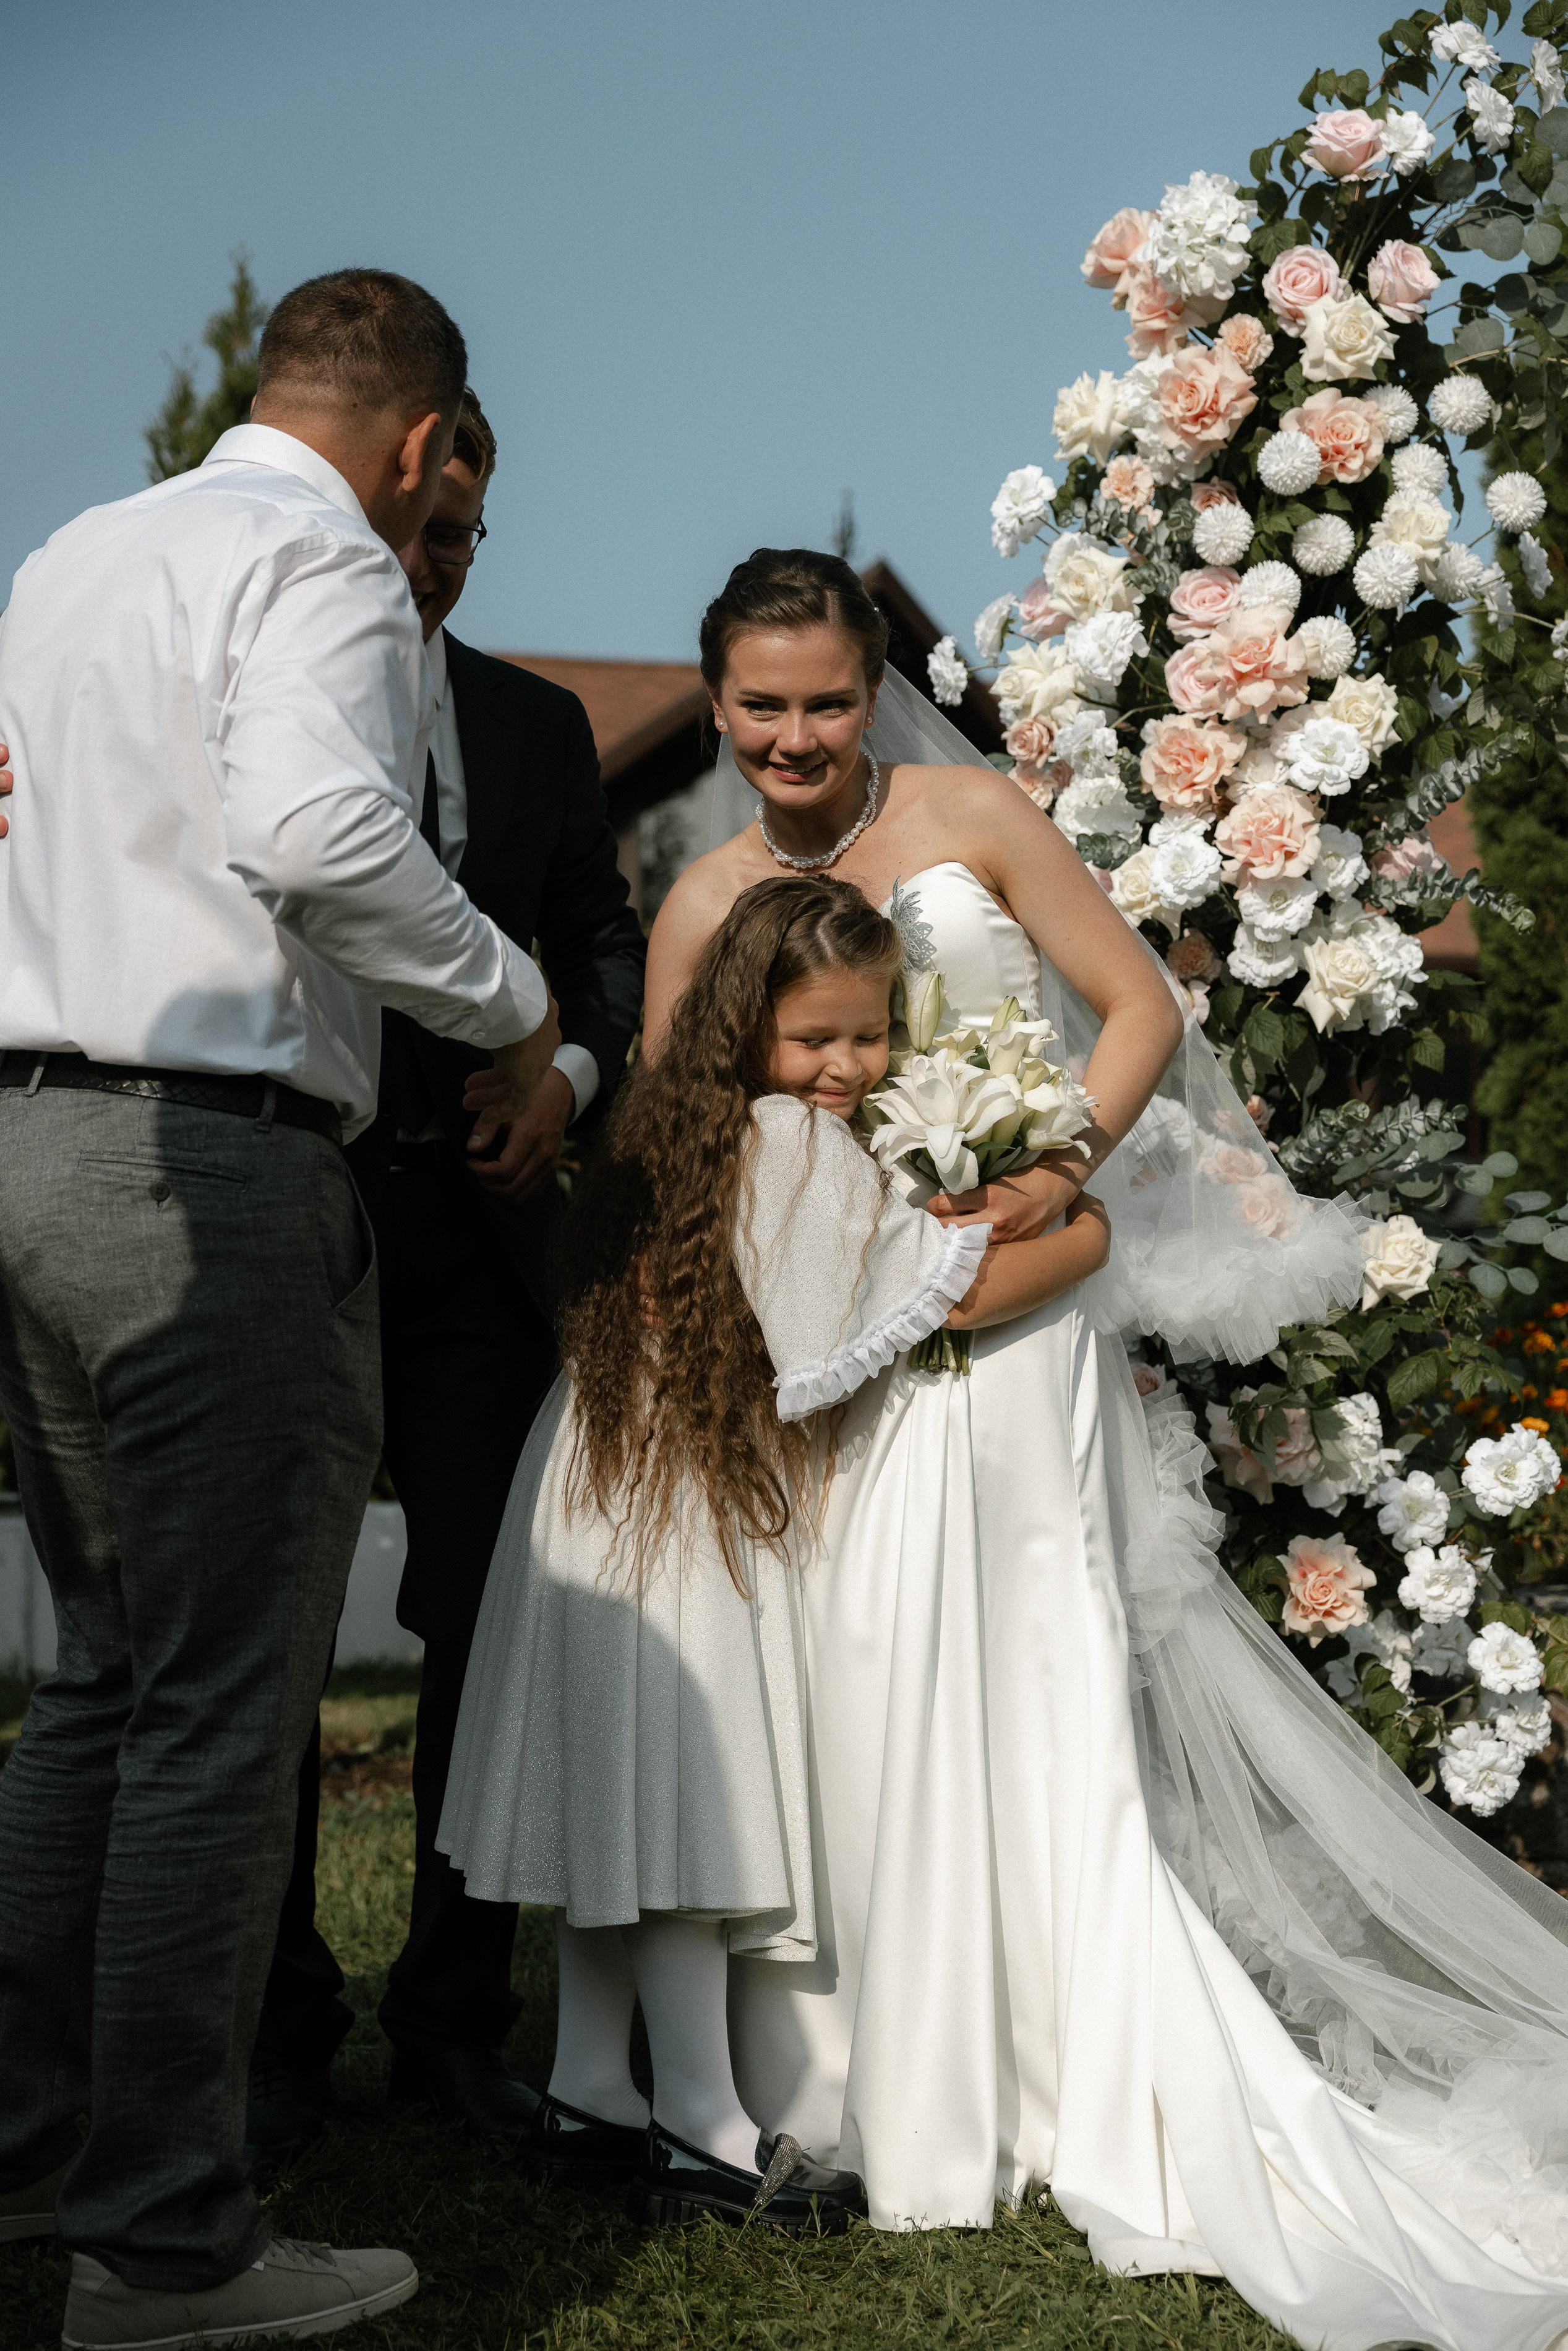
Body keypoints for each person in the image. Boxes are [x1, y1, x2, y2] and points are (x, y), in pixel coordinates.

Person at [643, 549, 1568, 2350]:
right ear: (715, 702)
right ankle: (909, 2071)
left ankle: (1077, 2047)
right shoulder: (705, 898)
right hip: (841, 1352)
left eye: (828, 697)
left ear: (870, 684)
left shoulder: (976, 810)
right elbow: (677, 1143)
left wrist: (1050, 1167)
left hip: (1025, 1310)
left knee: (1034, 1654)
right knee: (879, 1670)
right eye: (762, 704)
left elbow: (1141, 1007)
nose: (799, 735)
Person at [0, 269, 562, 2349]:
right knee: (223, 1717)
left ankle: (34, 2167)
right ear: (419, 448)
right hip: (212, 1171)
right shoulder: (313, 552)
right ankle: (163, 2250)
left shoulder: (77, 555)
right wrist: (510, 1006)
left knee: (105, 1686)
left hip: (30, 1145)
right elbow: (317, 828)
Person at [437, 872, 1112, 2229]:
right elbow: (910, 1313)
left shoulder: (667, 1136)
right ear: (746, 1028)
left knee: (615, 1794)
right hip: (686, 1511)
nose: (846, 1067)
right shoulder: (800, 1150)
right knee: (693, 1807)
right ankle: (700, 2117)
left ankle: (587, 2087)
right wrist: (1084, 1233)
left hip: (589, 1481)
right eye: (816, 1038)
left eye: (869, 1037)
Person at [247, 389, 646, 2167]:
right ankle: (268, 2028)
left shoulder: (541, 727)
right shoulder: (257, 688)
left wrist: (558, 1079)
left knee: (489, 1626)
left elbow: (604, 956)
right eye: (425, 529)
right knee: (257, 1635)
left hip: (489, 1250)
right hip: (293, 1222)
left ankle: (453, 2026)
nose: (440, 563)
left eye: (468, 538)